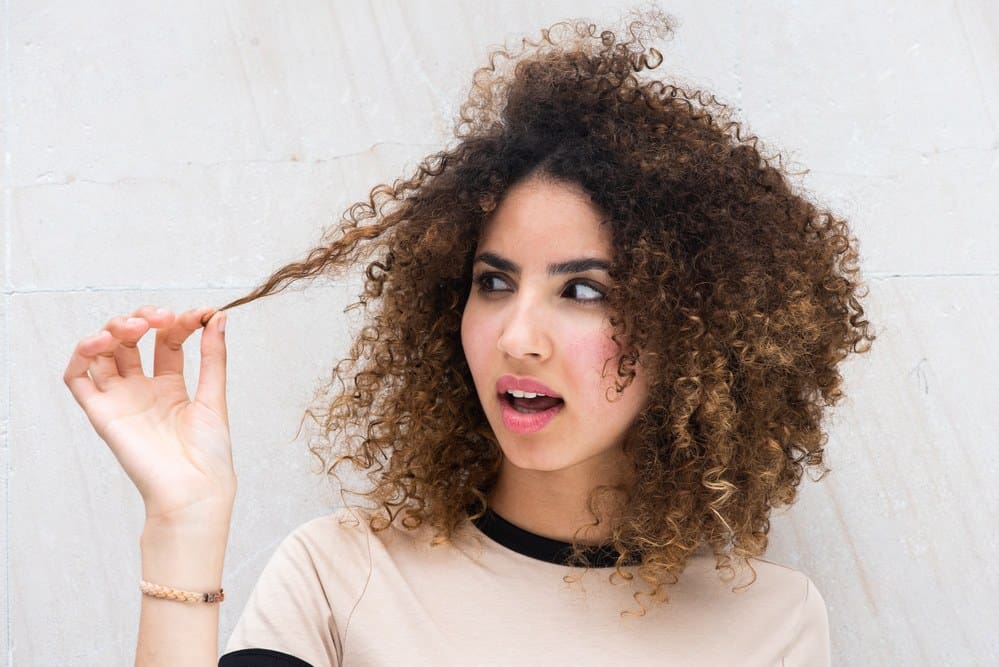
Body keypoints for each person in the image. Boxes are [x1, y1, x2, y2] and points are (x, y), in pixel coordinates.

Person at [63, 13, 874, 666]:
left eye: (583, 291)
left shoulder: (771, 622)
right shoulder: (342, 573)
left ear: (697, 330)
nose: (518, 335)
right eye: (493, 282)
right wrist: (183, 523)